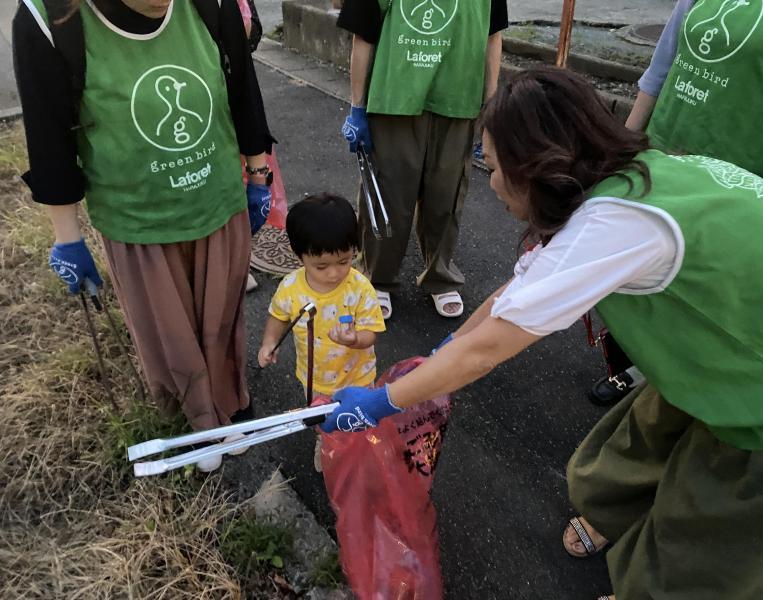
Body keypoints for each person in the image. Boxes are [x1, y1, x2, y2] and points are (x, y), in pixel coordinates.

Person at [319, 66, 763, 599]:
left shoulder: (615, 224)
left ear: (538, 167)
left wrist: (382, 402)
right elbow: (516, 294)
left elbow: (490, 350)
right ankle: (610, 514)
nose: (491, 179)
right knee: (649, 428)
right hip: (725, 343)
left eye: (496, 166)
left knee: (716, 518)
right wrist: (446, 351)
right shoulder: (628, 177)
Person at [13, 0, 275, 472]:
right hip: (138, 220)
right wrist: (66, 236)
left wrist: (259, 175)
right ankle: (195, 422)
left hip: (217, 198)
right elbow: (49, 139)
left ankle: (228, 401)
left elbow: (242, 89)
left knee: (221, 320)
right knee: (168, 333)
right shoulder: (48, 19)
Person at [590, 0, 763, 406]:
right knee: (645, 276)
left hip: (739, 182)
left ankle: (672, 389)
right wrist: (617, 150)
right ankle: (642, 365)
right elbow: (661, 70)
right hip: (666, 158)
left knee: (705, 295)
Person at [336, 0, 508, 319]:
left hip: (458, 97)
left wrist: (491, 103)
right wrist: (357, 106)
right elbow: (364, 36)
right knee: (389, 191)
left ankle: (440, 276)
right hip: (394, 98)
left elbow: (492, 34)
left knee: (447, 192)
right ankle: (378, 279)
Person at [258, 194, 385, 470]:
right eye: (321, 266)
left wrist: (356, 339)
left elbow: (372, 332)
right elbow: (278, 316)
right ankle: (326, 443)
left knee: (359, 417)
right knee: (321, 418)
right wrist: (270, 342)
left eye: (344, 261)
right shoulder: (292, 288)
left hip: (358, 375)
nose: (334, 274)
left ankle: (360, 449)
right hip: (314, 377)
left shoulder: (359, 288)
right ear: (299, 254)